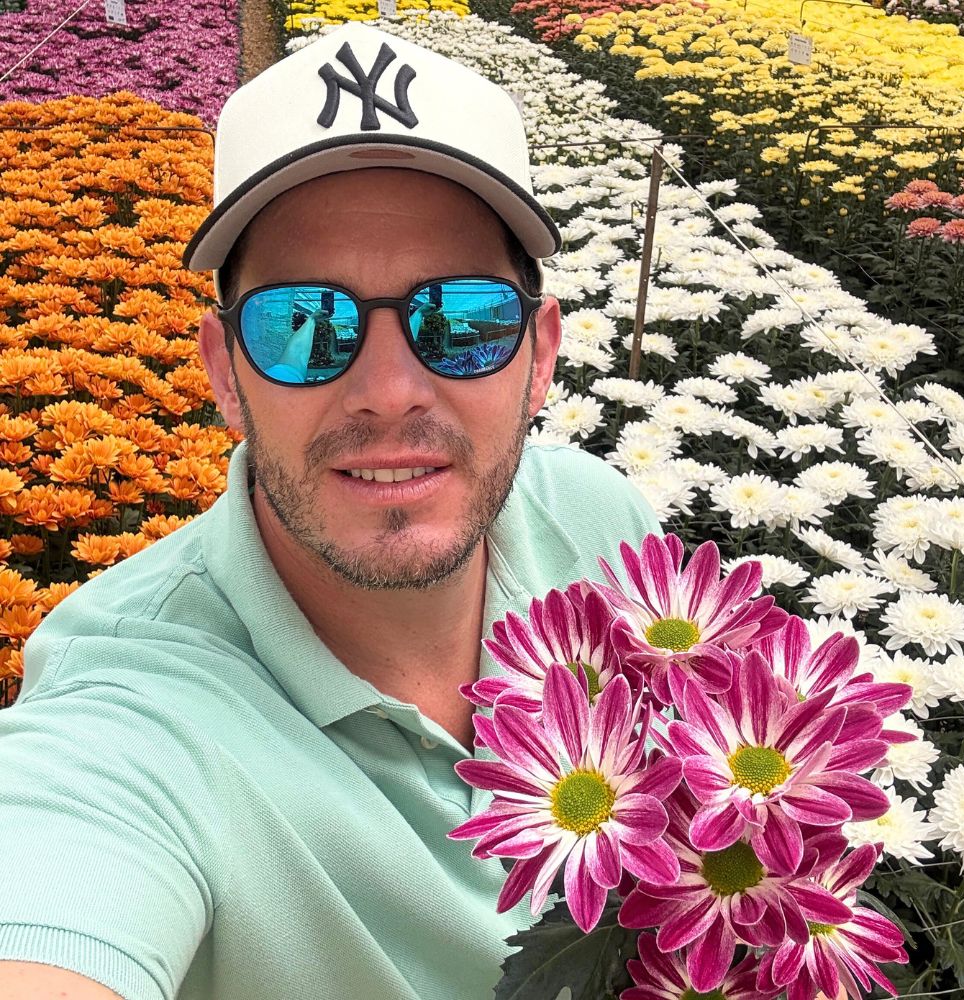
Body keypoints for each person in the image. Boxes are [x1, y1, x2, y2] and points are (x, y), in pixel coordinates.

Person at [0, 21, 669, 1000]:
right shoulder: (133, 722)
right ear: (224, 373)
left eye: (462, 319)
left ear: (541, 355)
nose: (390, 388)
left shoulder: (604, 528)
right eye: (304, 323)